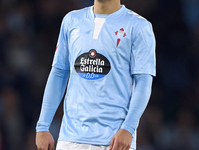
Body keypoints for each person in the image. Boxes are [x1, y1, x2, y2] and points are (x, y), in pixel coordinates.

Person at [35, 0, 156, 150]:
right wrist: (43, 125)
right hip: (70, 138)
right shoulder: (71, 20)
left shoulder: (139, 26)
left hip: (114, 140)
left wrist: (129, 128)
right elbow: (59, 73)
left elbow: (143, 81)